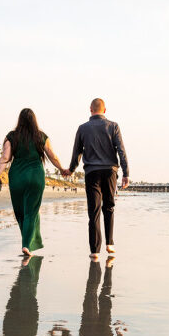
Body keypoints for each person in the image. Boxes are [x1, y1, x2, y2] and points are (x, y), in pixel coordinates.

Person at [0, 108, 68, 257]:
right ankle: (27, 244)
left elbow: (5, 158)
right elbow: (52, 156)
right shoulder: (41, 136)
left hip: (17, 178)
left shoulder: (11, 136)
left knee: (20, 212)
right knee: (31, 212)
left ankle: (27, 243)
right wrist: (61, 169)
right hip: (35, 177)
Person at [63, 98, 129, 259]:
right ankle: (110, 243)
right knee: (109, 207)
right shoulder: (113, 126)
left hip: (92, 172)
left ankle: (94, 250)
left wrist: (71, 169)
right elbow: (121, 150)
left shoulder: (82, 128)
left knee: (94, 211)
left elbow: (77, 152)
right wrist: (126, 173)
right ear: (104, 110)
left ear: (90, 109)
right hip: (110, 172)